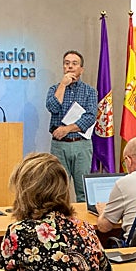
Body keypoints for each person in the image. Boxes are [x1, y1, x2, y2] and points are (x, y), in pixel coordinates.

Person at [46, 50, 97, 203]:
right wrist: (63, 85)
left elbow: (90, 117)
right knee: (58, 189)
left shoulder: (90, 91)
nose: (70, 67)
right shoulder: (54, 89)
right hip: (59, 146)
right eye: (67, 63)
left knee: (83, 190)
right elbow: (52, 107)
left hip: (81, 145)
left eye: (74, 64)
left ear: (81, 69)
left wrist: (66, 129)